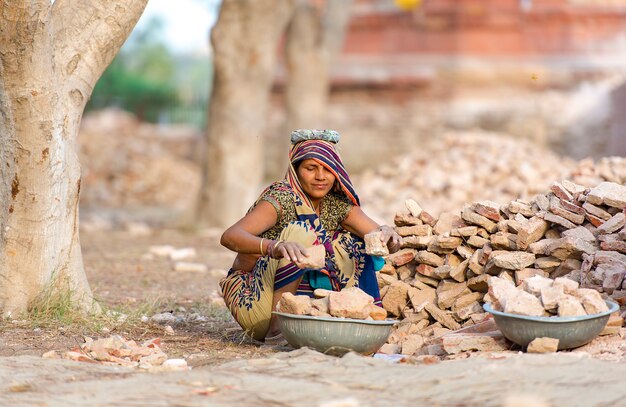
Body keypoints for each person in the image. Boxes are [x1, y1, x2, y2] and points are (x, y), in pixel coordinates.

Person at [219, 129, 402, 342]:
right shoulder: (281, 198)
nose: (321, 177)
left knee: (352, 243)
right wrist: (275, 247)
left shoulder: (336, 204)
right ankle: (277, 332)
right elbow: (230, 236)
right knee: (300, 234)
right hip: (254, 299)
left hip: (303, 310)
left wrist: (388, 235)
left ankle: (349, 318)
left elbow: (377, 234)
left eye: (328, 169)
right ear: (296, 170)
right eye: (311, 168)